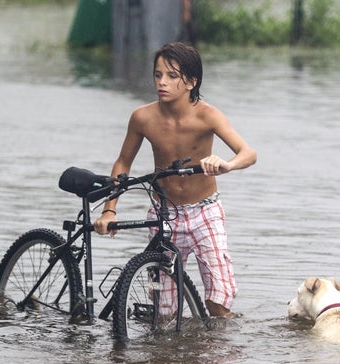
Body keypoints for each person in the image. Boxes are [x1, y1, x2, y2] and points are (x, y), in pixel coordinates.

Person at [94, 42, 257, 318]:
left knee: (218, 304)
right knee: (165, 313)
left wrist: (225, 165)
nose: (162, 82)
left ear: (191, 81)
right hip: (164, 213)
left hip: (205, 212)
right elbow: (123, 163)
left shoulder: (208, 116)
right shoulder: (143, 117)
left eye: (171, 76)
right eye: (158, 75)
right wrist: (110, 209)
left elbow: (248, 153)